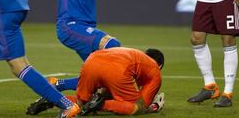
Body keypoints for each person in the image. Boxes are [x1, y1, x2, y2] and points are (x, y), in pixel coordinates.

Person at [29, 47, 165, 116]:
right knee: (137, 107)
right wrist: (155, 107)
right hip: (117, 70)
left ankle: (53, 100)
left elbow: (109, 86)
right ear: (159, 66)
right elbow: (142, 106)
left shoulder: (134, 54)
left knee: (82, 103)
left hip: (92, 60)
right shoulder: (155, 71)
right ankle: (99, 105)